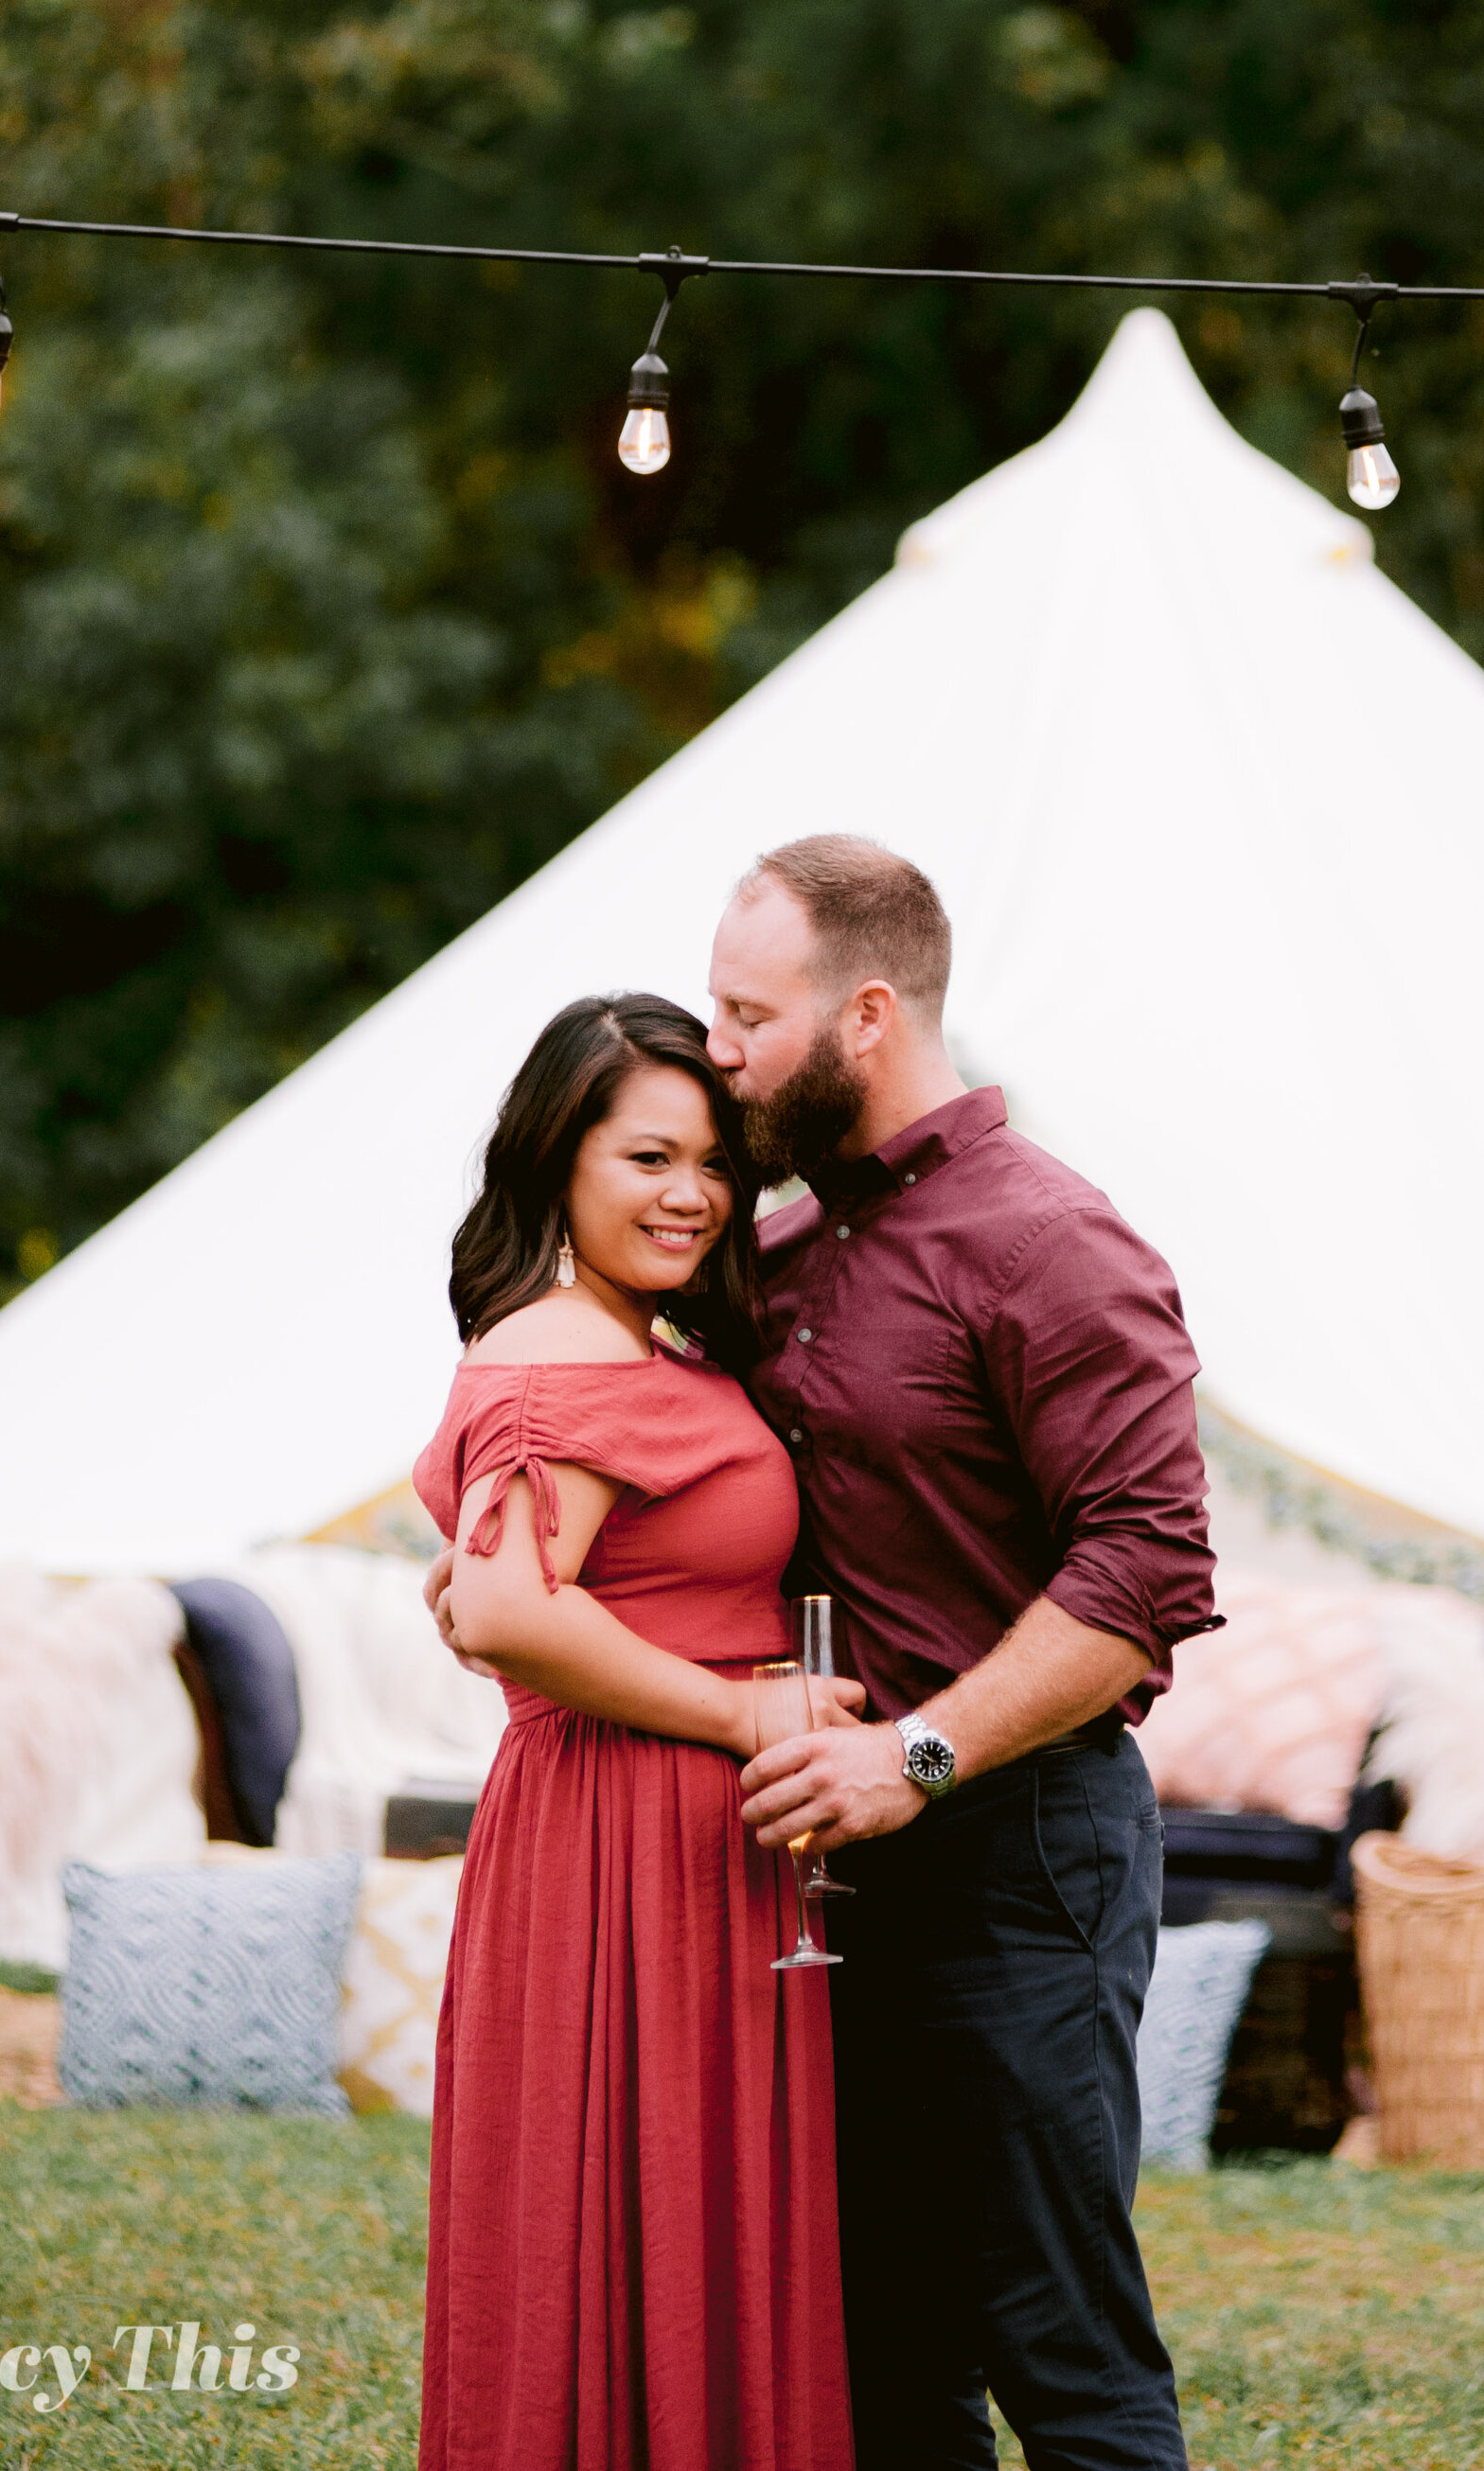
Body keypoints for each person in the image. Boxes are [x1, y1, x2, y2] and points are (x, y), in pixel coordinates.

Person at [713, 835, 1220, 2471]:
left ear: (867, 1013)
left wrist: (913, 1753)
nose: (716, 1052)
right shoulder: (775, 1257)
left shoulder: (1053, 1239)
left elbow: (1146, 1570)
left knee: (1059, 2348)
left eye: (746, 1017)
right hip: (826, 1890)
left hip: (1021, 1860)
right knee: (875, 2364)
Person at [410, 992, 856, 2471]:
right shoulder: (562, 1349)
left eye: (716, 1161)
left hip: (671, 1843)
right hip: (624, 1851)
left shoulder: (620, 1338)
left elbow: (502, 1588)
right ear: (558, 1160)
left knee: (683, 2231)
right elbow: (517, 1611)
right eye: (648, 1156)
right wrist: (746, 1707)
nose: (693, 1194)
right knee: (628, 2222)